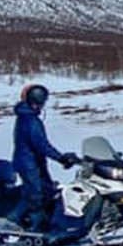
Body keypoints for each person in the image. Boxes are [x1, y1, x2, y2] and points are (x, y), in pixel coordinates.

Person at [9, 83, 80, 233]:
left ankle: (46, 222)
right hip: (29, 163)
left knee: (48, 191)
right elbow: (41, 145)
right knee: (36, 194)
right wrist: (61, 158)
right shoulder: (30, 120)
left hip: (33, 162)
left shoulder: (27, 117)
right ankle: (31, 225)